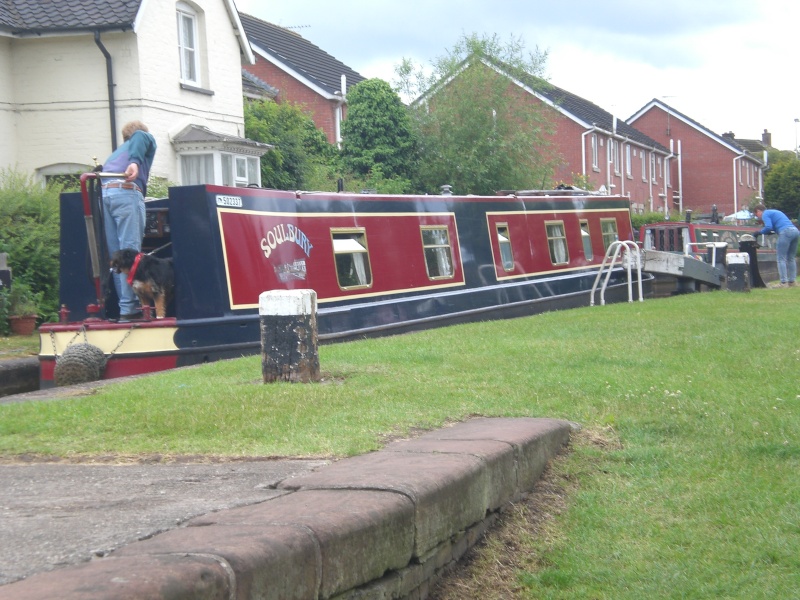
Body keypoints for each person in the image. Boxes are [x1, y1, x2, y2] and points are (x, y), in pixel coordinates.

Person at [101, 121, 157, 319]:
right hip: (126, 193)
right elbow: (141, 137)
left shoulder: (114, 155)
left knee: (116, 256)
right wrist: (134, 162)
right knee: (129, 253)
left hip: (105, 195)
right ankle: (129, 309)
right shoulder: (143, 138)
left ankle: (124, 308)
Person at [753, 204, 799, 287]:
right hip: (795, 231)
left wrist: (758, 232)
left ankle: (783, 283)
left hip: (785, 232)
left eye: (757, 215)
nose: (758, 217)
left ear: (759, 211)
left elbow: (768, 227)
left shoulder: (765, 214)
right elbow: (776, 226)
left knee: (781, 258)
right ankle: (792, 282)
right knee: (791, 258)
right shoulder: (774, 212)